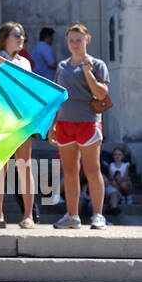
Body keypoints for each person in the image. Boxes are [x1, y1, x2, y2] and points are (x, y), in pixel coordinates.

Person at [49, 23, 110, 230]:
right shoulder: (62, 66)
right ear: (67, 43)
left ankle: (98, 215)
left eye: (79, 40)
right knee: (69, 172)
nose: (75, 44)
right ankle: (72, 216)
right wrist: (52, 125)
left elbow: (101, 94)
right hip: (65, 123)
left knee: (93, 170)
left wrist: (87, 72)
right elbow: (58, 97)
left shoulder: (97, 64)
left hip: (88, 122)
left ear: (87, 40)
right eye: (71, 40)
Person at [0, 22, 37, 229]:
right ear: (4, 37)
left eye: (23, 35)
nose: (21, 38)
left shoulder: (24, 62)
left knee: (24, 165)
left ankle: (28, 216)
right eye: (17, 34)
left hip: (21, 119)